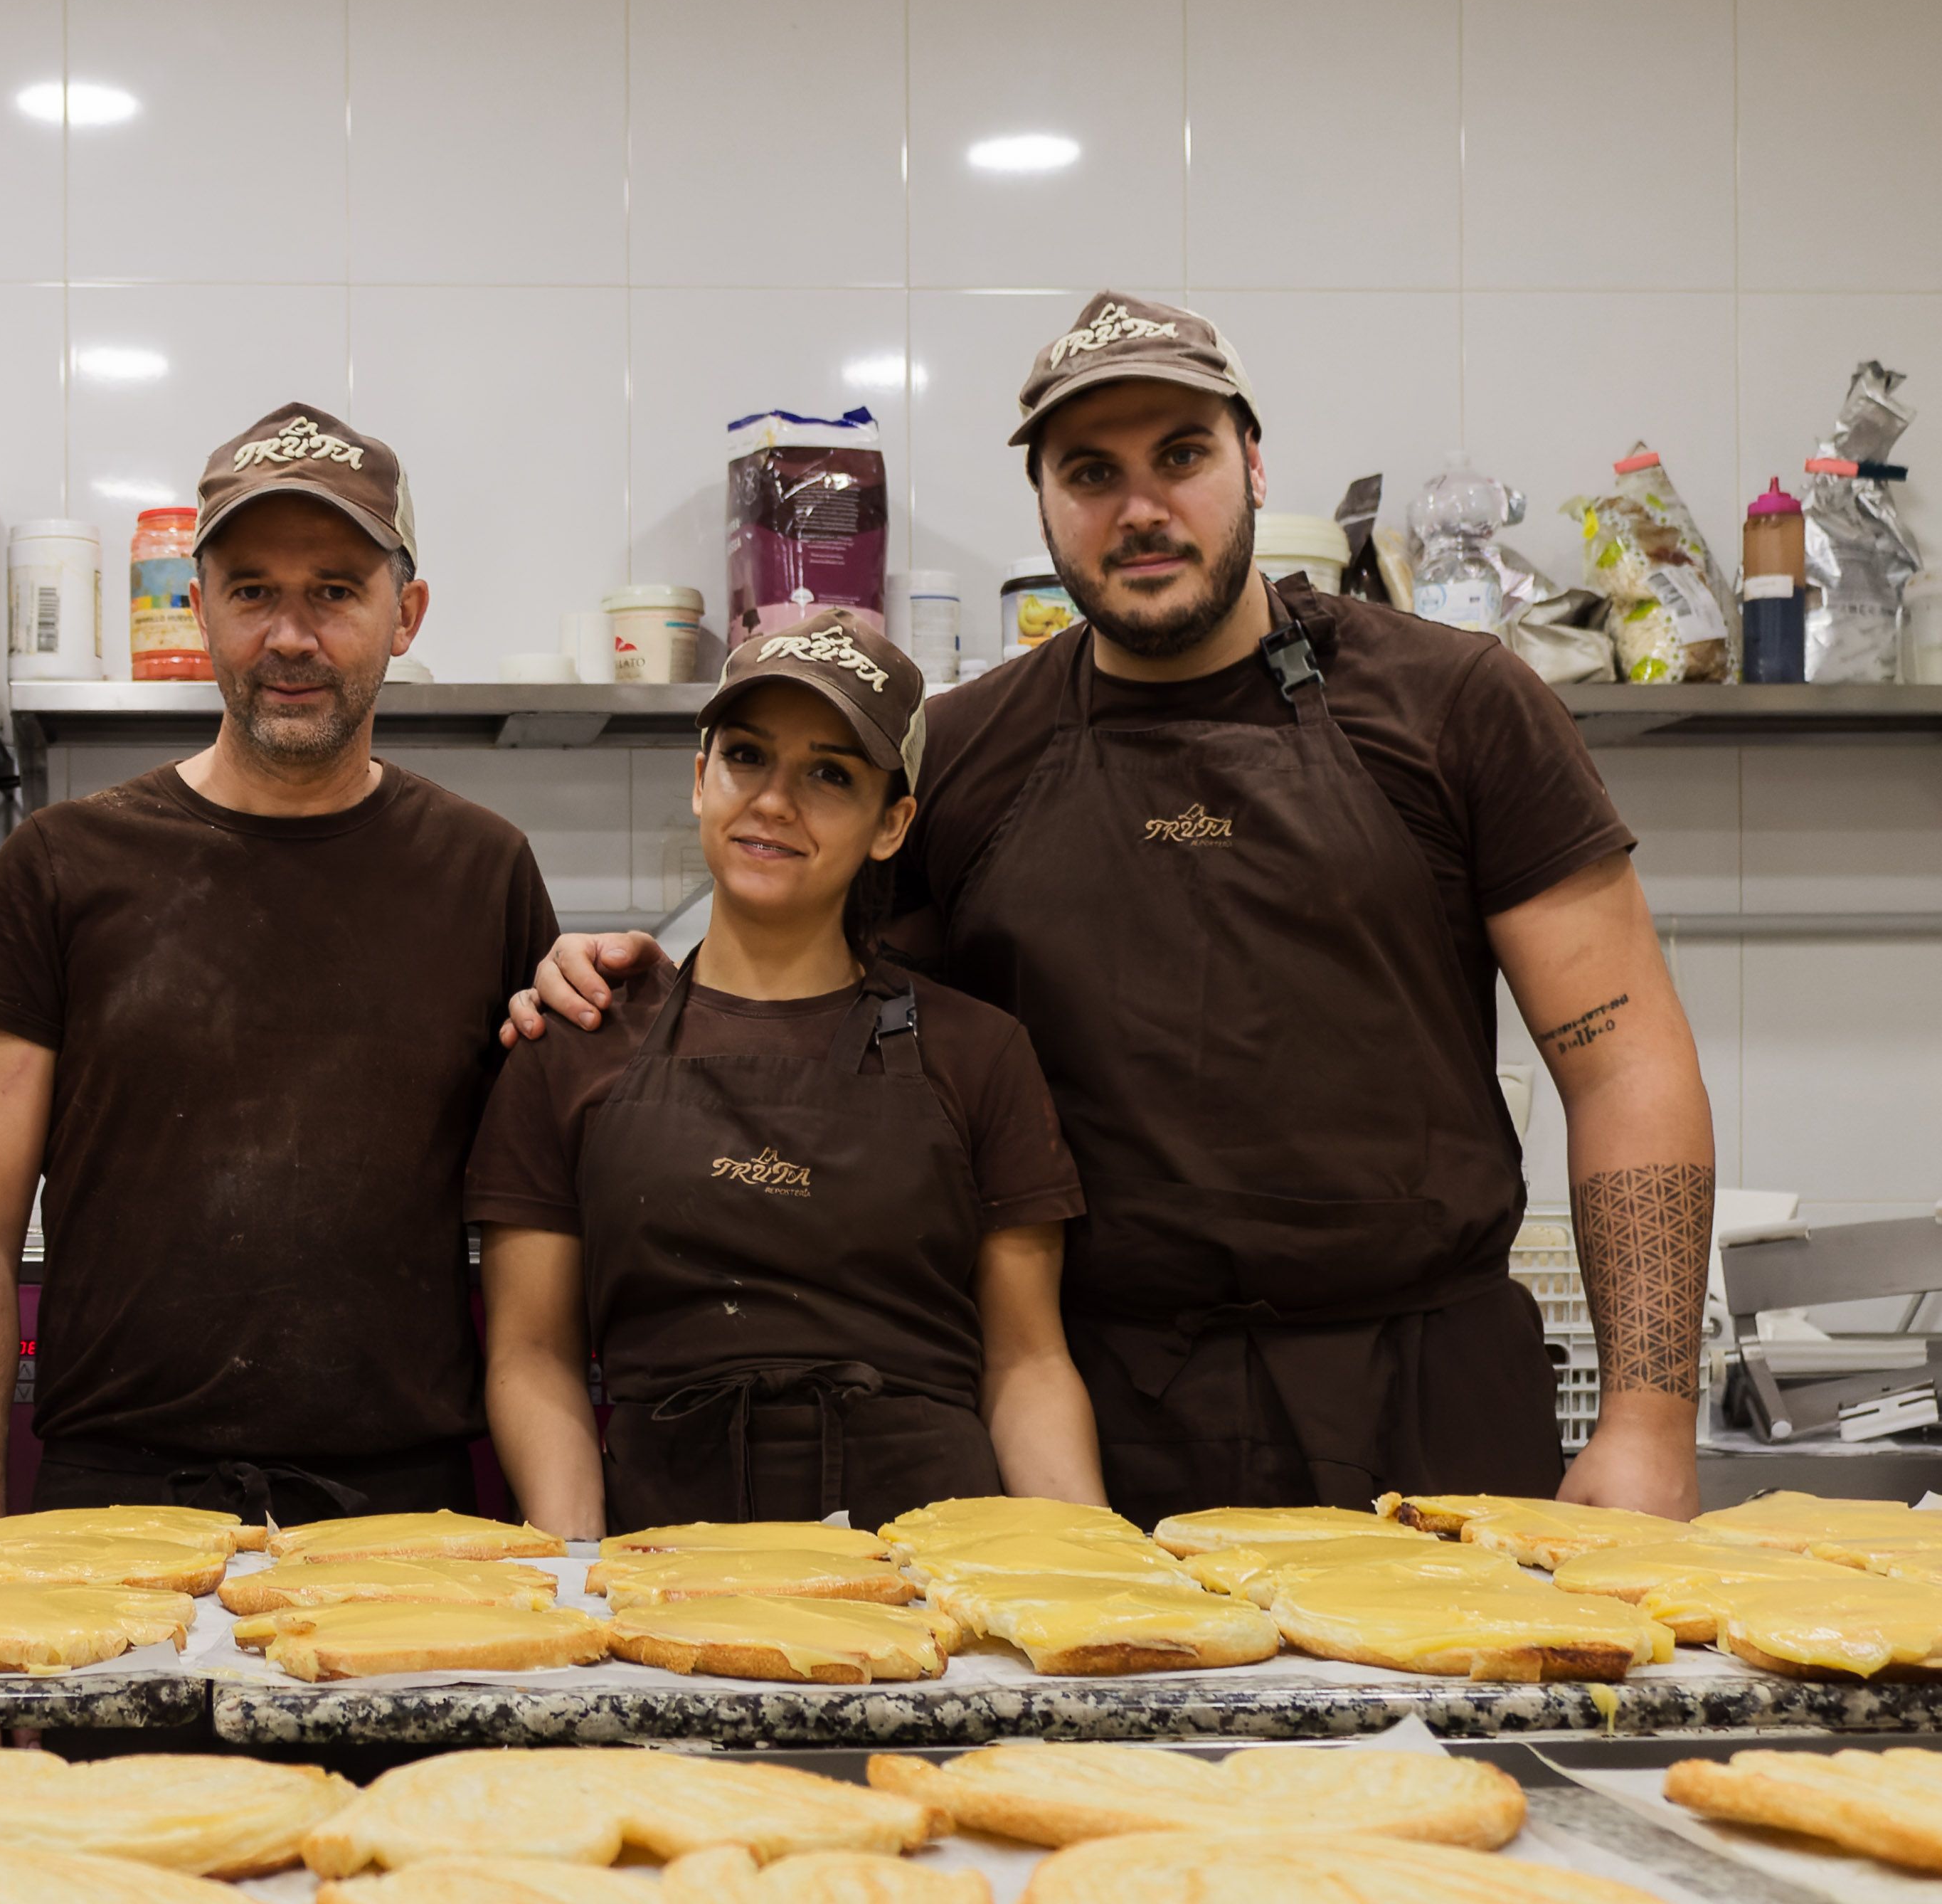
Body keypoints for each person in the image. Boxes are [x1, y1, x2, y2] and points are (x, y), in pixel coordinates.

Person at [516, 292, 1717, 1528]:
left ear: (1254, 463)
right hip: (1098, 1415)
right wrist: (618, 978)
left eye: (1182, 457)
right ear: (1043, 502)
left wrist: (1649, 1423)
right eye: (1091, 472)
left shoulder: (1457, 706)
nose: (1141, 509)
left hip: (1428, 1395)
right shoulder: (967, 755)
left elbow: (1626, 1064)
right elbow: (792, 960)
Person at [0, 403, 557, 1532]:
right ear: (199, 609)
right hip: (112, 1506)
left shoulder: (484, 872)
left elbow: (536, 1231)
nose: (291, 637)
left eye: (336, 591)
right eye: (252, 590)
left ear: (404, 615)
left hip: (400, 1519)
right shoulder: (62, 865)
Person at [469, 611, 1102, 1537]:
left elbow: (1028, 1365)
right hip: (664, 1562)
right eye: (747, 757)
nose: (774, 800)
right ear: (699, 780)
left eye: (831, 774)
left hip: (933, 1563)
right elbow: (532, 1356)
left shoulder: (979, 1052)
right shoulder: (578, 1037)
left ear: (892, 823)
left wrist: (1086, 1573)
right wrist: (575, 1567)